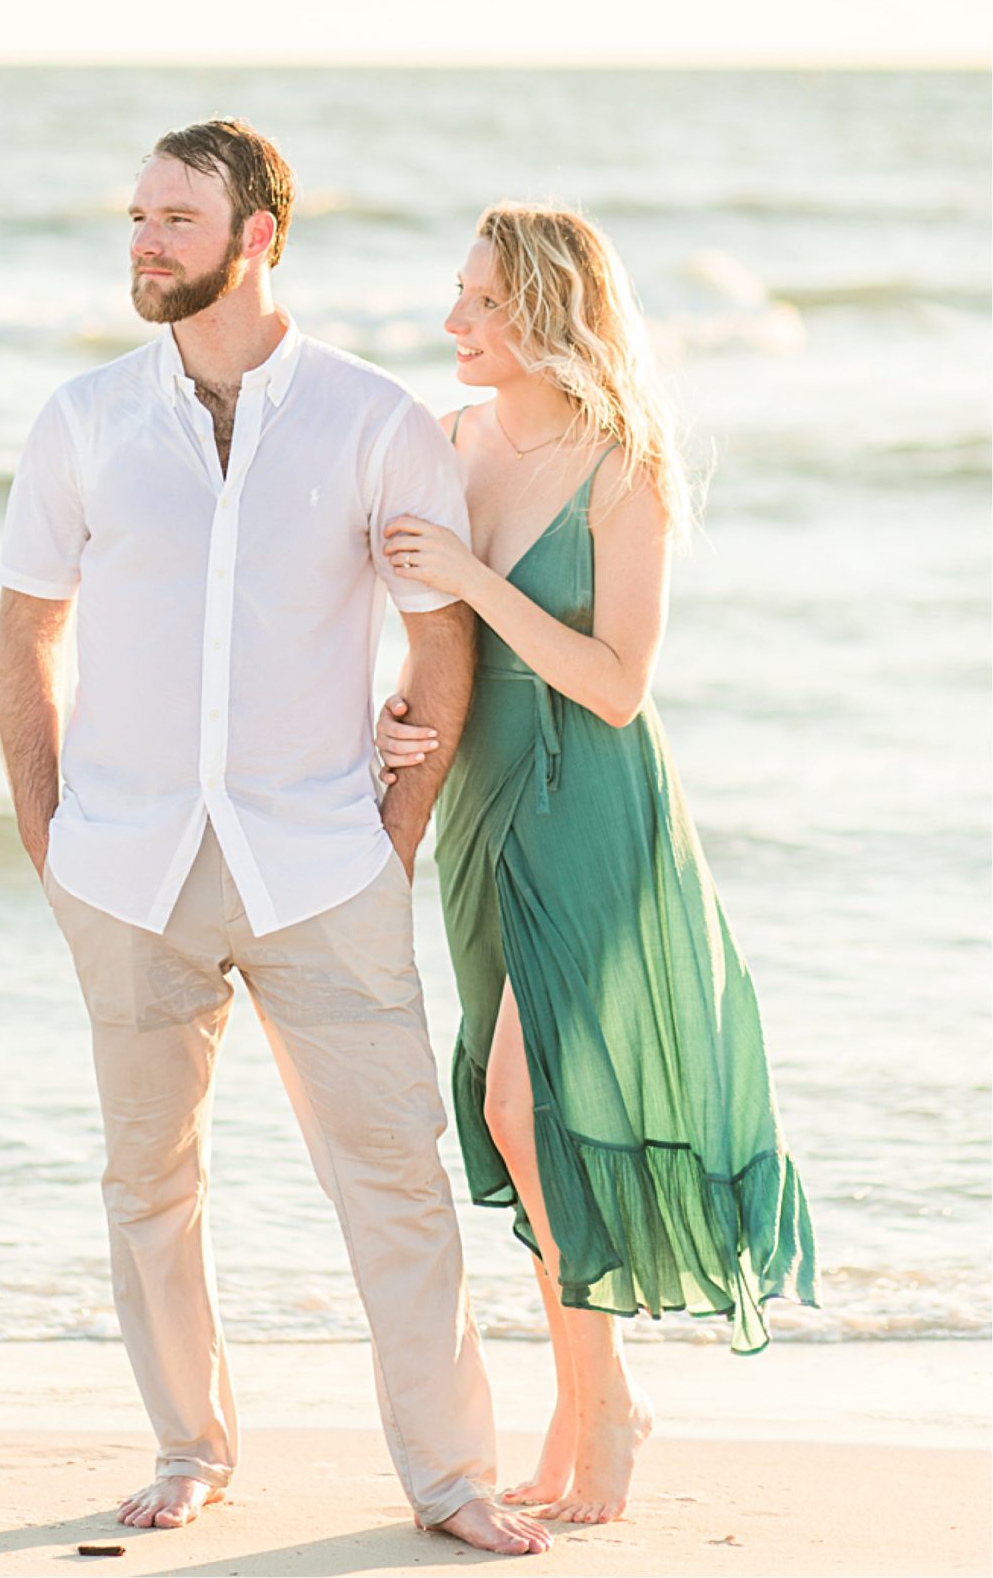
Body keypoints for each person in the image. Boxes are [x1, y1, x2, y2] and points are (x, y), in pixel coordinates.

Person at [0, 121, 550, 1556]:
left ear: (258, 236)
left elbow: (442, 644)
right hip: (124, 870)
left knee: (394, 1179)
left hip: (321, 868)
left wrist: (393, 838)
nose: (143, 238)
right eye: (136, 214)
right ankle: (188, 1451)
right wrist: (51, 838)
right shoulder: (83, 420)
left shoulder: (373, 420)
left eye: (175, 217)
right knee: (148, 1180)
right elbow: (26, 634)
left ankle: (449, 1480)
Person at [377, 201, 818, 1528]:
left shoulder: (625, 458)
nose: (453, 321)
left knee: (528, 1100)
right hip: (481, 799)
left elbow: (616, 685)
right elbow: (438, 640)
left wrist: (470, 572)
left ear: (545, 312)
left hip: (589, 801)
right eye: (453, 296)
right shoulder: (451, 438)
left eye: (480, 303)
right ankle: (588, 1397)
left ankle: (598, 1403)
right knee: (517, 1108)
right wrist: (400, 721)